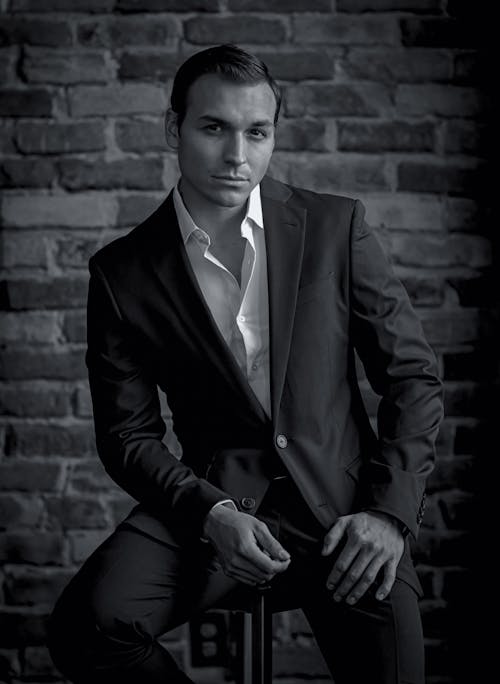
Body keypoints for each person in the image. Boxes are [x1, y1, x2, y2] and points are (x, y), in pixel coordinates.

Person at [48, 44, 443, 684]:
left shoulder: (334, 226)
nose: (238, 156)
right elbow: (128, 436)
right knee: (87, 627)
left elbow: (412, 377)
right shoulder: (122, 273)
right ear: (174, 128)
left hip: (345, 515)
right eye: (214, 128)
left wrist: (388, 513)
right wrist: (209, 512)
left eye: (257, 133)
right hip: (213, 508)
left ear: (273, 135)